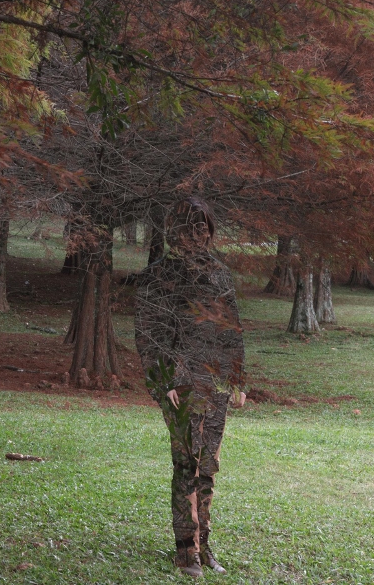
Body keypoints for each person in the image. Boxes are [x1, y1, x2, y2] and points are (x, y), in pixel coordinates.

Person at [135, 197, 246, 578]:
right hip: (179, 384)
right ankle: (186, 551)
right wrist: (162, 381)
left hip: (214, 384)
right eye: (190, 228)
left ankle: (205, 544)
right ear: (175, 231)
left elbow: (232, 329)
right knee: (187, 463)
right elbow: (149, 335)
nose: (198, 235)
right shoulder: (157, 277)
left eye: (204, 228)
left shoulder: (219, 274)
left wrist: (237, 380)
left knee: (208, 467)